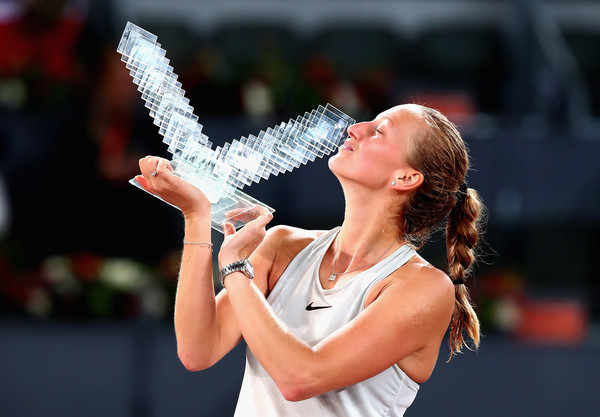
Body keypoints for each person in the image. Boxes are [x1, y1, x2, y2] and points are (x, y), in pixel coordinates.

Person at [135, 103, 484, 416]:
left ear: (406, 177)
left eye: (378, 131)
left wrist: (235, 268)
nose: (355, 128)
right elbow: (198, 350)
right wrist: (196, 216)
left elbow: (300, 378)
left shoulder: (423, 288)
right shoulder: (283, 244)